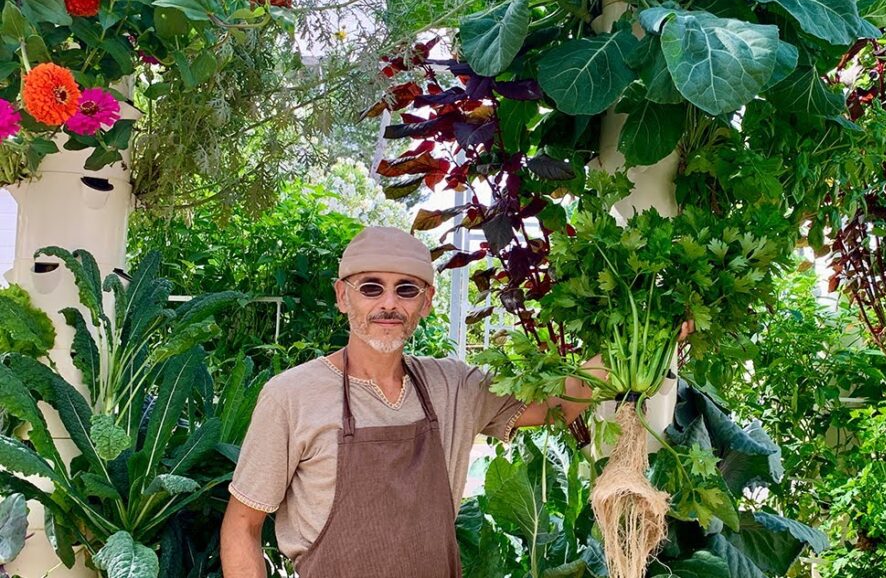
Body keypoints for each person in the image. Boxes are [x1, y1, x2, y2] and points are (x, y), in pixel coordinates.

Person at [221, 226, 690, 578]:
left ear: (425, 302)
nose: (389, 304)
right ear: (343, 297)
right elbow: (242, 526)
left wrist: (645, 340)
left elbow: (554, 405)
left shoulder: (452, 385)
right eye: (371, 288)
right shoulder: (291, 395)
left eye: (406, 289)